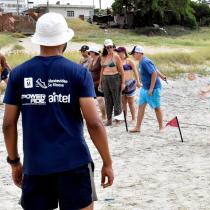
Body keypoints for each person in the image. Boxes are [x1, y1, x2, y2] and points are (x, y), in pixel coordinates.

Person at [2, 13, 114, 210]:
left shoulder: (18, 74)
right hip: (74, 162)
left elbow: (8, 124)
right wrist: (107, 162)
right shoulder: (78, 73)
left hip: (36, 165)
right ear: (65, 39)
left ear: (38, 39)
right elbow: (94, 123)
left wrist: (14, 162)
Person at [129, 46, 164, 133]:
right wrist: (162, 76)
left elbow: (154, 73)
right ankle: (138, 127)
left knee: (156, 107)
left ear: (138, 53)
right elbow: (155, 69)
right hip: (144, 88)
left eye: (133, 54)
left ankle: (161, 127)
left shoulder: (145, 61)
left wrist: (151, 89)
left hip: (154, 88)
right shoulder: (141, 61)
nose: (133, 56)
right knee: (141, 107)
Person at [99, 39, 125, 126]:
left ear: (113, 46)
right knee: (107, 99)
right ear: (105, 47)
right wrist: (100, 82)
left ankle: (118, 120)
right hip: (105, 78)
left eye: (111, 47)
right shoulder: (103, 57)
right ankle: (109, 119)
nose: (110, 48)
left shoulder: (116, 56)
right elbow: (101, 70)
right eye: (108, 47)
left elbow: (121, 71)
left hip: (115, 77)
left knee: (116, 99)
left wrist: (123, 83)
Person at [115, 46, 141, 123]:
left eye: (119, 52)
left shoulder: (129, 61)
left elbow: (136, 71)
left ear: (123, 52)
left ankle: (133, 118)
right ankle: (124, 117)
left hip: (130, 83)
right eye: (117, 52)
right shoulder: (117, 61)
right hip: (121, 83)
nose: (118, 54)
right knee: (123, 103)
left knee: (131, 102)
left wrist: (138, 81)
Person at [87, 46, 107, 120]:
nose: (89, 53)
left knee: (100, 99)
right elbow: (89, 69)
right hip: (93, 83)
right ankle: (103, 115)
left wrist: (100, 83)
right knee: (98, 99)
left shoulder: (100, 59)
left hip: (100, 82)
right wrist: (90, 60)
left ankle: (104, 115)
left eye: (90, 52)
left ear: (94, 52)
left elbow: (103, 70)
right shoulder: (92, 59)